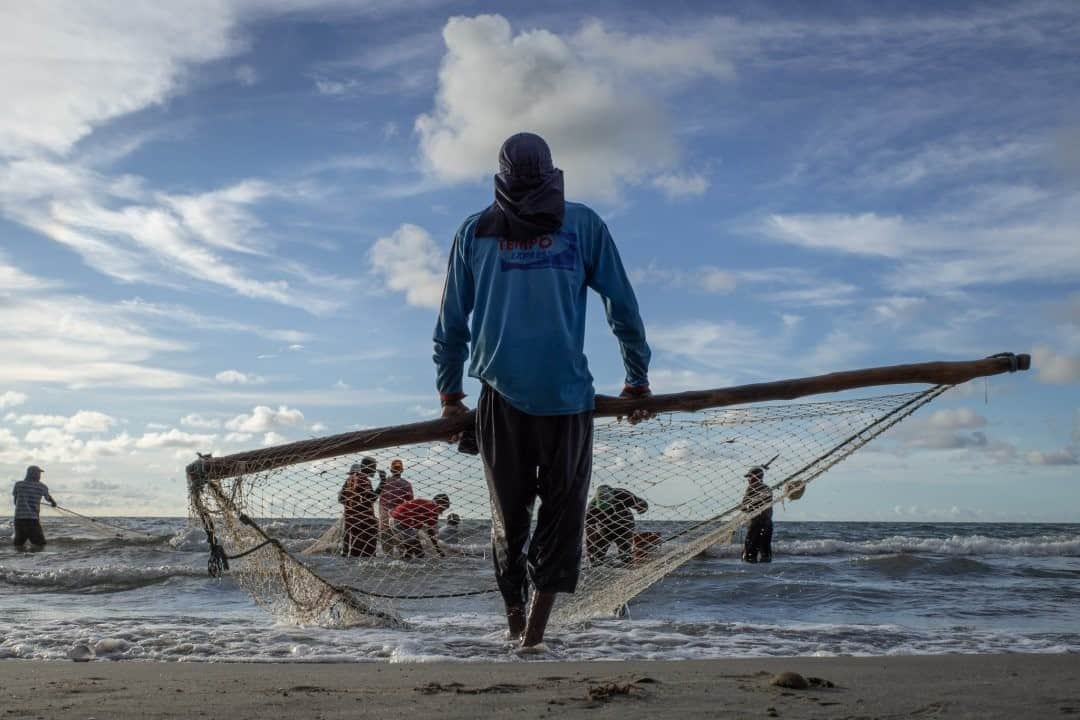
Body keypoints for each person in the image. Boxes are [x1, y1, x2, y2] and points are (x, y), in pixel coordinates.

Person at [434, 132, 652, 648]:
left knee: (509, 522)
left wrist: (449, 397)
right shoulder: (580, 224)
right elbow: (623, 307)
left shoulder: (476, 230)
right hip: (564, 402)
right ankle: (532, 634)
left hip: (503, 401)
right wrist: (636, 379)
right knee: (561, 518)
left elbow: (450, 325)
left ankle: (520, 631)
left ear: (500, 177)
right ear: (552, 171)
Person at [585, 485, 649, 565]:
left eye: (609, 509)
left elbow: (642, 505)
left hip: (625, 525)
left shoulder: (623, 495)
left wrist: (641, 508)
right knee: (597, 553)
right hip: (605, 528)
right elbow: (590, 536)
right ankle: (598, 563)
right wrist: (591, 554)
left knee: (625, 553)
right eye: (604, 511)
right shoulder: (591, 509)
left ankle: (627, 562)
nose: (608, 513)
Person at [390, 493, 451, 559]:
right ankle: (404, 565)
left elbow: (417, 525)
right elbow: (430, 532)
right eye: (443, 509)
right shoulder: (433, 509)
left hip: (394, 520)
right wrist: (438, 549)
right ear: (441, 502)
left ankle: (404, 564)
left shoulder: (425, 503)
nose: (442, 512)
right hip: (401, 523)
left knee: (410, 550)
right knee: (419, 552)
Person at [338, 459, 379, 557]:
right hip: (364, 523)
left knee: (350, 551)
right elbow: (371, 498)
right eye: (374, 468)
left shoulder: (348, 481)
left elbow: (341, 498)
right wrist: (382, 483)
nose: (375, 471)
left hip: (351, 520)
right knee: (366, 555)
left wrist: (351, 505)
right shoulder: (363, 480)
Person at [375, 458, 414, 556]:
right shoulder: (406, 484)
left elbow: (377, 496)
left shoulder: (385, 483)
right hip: (398, 520)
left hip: (384, 519)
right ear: (402, 470)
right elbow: (410, 504)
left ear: (391, 470)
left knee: (387, 551)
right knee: (401, 548)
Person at [12, 465, 56, 549]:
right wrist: (53, 503)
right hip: (32, 520)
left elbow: (15, 501)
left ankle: (18, 559)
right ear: (32, 474)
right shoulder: (42, 486)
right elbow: (49, 498)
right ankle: (33, 560)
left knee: (19, 544)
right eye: (38, 473)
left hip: (18, 519)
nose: (39, 476)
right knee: (41, 544)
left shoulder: (18, 484)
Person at [741, 466, 773, 563]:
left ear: (756, 477)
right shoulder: (767, 488)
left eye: (750, 477)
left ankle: (752, 574)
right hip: (768, 524)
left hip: (754, 524)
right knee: (765, 552)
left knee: (750, 554)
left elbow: (744, 506)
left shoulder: (751, 489)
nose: (748, 479)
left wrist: (745, 510)